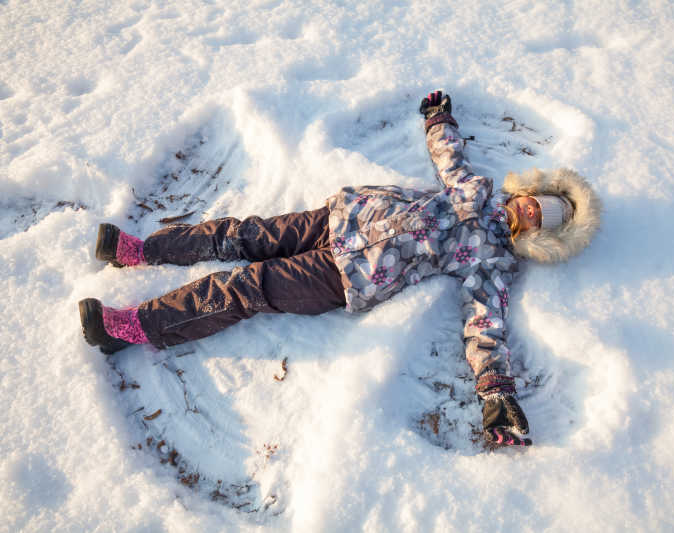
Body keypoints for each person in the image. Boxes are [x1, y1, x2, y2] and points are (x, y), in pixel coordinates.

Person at [79, 91, 602, 448]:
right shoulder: (478, 188)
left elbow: (485, 324)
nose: (530, 211)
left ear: (541, 237)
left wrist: (496, 391)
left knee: (244, 286)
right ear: (529, 191)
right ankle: (142, 251)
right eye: (537, 202)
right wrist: (439, 120)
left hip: (349, 275)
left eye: (540, 219)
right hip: (345, 215)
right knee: (241, 235)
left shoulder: (493, 262)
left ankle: (134, 327)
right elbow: (450, 161)